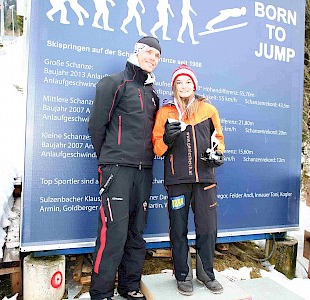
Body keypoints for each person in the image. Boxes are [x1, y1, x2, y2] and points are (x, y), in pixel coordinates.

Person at [88, 36, 162, 300]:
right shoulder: (114, 83)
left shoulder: (153, 95)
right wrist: (110, 158)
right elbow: (96, 126)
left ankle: (129, 285)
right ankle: (101, 293)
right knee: (113, 233)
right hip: (117, 170)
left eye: (157, 56)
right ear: (137, 52)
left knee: (136, 232)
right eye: (149, 52)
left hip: (144, 171)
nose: (152, 58)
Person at [152, 64, 225, 296]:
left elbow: (219, 139)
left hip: (205, 180)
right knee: (178, 228)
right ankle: (183, 275)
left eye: (188, 82)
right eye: (179, 83)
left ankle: (206, 274)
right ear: (174, 86)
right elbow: (157, 148)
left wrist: (218, 154)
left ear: (195, 85)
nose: (184, 87)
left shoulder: (209, 110)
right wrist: (167, 138)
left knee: (207, 228)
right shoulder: (165, 112)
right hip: (177, 182)